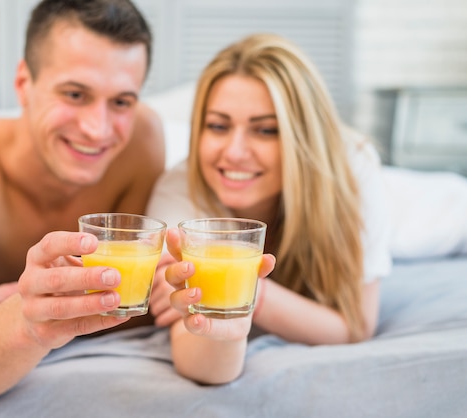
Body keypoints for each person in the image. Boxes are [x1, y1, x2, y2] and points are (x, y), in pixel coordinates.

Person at [0, 0, 168, 408]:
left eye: (121, 102)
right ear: (24, 83)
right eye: (76, 94)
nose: (98, 130)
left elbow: (132, 304)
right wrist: (26, 320)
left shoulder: (142, 140)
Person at [146, 33, 391, 383]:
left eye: (265, 130)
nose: (234, 151)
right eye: (218, 126)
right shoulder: (180, 191)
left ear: (302, 138)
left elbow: (357, 326)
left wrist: (251, 291)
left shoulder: (353, 168)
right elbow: (196, 359)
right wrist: (226, 329)